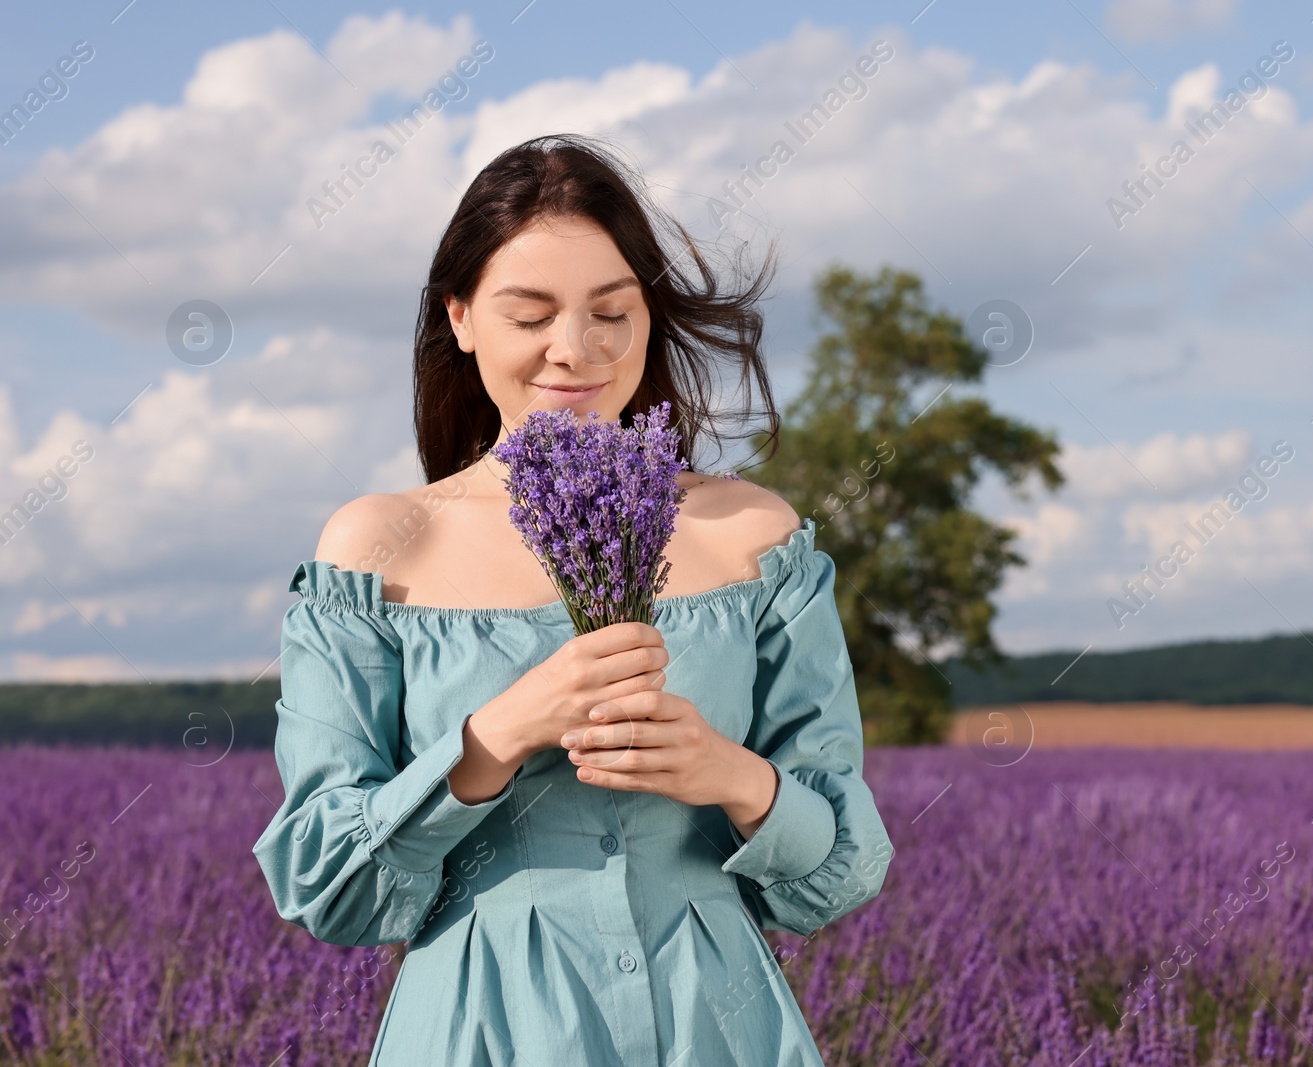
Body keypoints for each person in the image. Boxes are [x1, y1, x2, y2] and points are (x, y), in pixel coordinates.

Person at [251, 134, 894, 1066]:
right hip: (482, 1028)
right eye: (530, 314)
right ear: (462, 316)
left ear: (649, 318)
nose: (573, 351)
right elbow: (330, 887)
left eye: (610, 312)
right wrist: (498, 735)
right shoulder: (380, 548)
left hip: (720, 1027)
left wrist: (728, 773)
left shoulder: (752, 537)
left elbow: (840, 871)